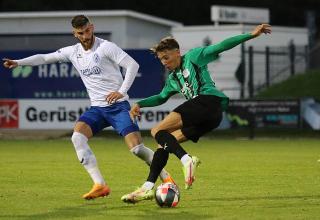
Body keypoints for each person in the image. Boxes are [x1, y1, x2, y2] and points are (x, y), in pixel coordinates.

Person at [2, 15, 174, 200]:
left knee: (136, 149)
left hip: (118, 107)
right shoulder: (72, 52)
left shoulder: (106, 47)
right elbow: (44, 58)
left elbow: (132, 65)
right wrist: (19, 63)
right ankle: (100, 184)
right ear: (74, 34)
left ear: (92, 27)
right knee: (77, 137)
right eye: (80, 33)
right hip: (97, 109)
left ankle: (166, 177)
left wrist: (122, 91)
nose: (85, 36)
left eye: (87, 31)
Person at [121, 24, 272, 203]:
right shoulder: (172, 79)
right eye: (161, 59)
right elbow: (162, 97)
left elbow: (221, 46)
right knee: (164, 145)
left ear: (177, 52)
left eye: (166, 57)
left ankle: (187, 160)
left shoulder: (194, 56)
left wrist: (251, 35)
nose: (164, 62)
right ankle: (147, 188)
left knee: (156, 131)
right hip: (211, 117)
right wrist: (140, 104)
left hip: (208, 101)